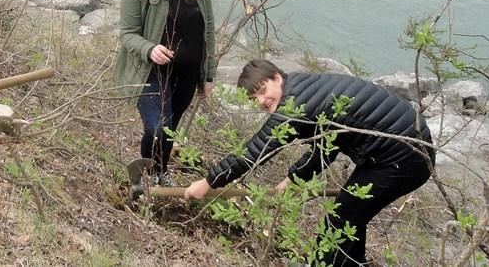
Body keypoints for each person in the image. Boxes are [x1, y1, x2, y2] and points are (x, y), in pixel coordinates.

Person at [183, 59, 436, 267]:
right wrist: (294, 178)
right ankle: (353, 264)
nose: (261, 100)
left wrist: (207, 182)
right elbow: (327, 146)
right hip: (397, 150)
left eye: (263, 90)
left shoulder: (294, 105)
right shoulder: (305, 88)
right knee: (351, 214)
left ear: (277, 78)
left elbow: (254, 152)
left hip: (406, 156)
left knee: (341, 216)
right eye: (254, 99)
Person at [113, 0, 217, 186]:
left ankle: (161, 171)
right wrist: (149, 49)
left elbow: (208, 30)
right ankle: (144, 176)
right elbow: (127, 34)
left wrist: (207, 76)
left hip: (188, 71)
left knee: (170, 129)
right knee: (159, 127)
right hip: (151, 69)